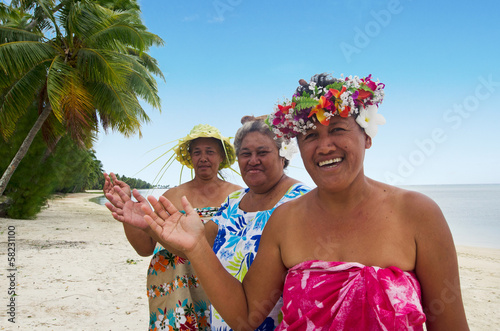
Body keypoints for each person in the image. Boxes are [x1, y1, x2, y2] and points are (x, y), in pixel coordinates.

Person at [142, 73, 469, 330]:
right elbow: (245, 317)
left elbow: (450, 325)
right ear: (297, 145)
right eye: (311, 135)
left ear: (366, 135)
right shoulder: (285, 220)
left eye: (338, 129)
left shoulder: (417, 215)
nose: (325, 146)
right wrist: (196, 246)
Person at [107, 118, 311, 330]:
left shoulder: (301, 202)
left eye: (262, 152)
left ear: (283, 155)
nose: (253, 160)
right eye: (246, 154)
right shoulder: (233, 202)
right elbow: (199, 248)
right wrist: (148, 225)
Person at [103, 124, 242, 331]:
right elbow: (145, 248)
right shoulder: (172, 196)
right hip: (175, 288)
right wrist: (126, 211)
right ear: (190, 158)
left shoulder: (238, 196)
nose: (203, 157)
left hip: (221, 283)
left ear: (221, 157)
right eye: (197, 152)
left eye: (210, 152)